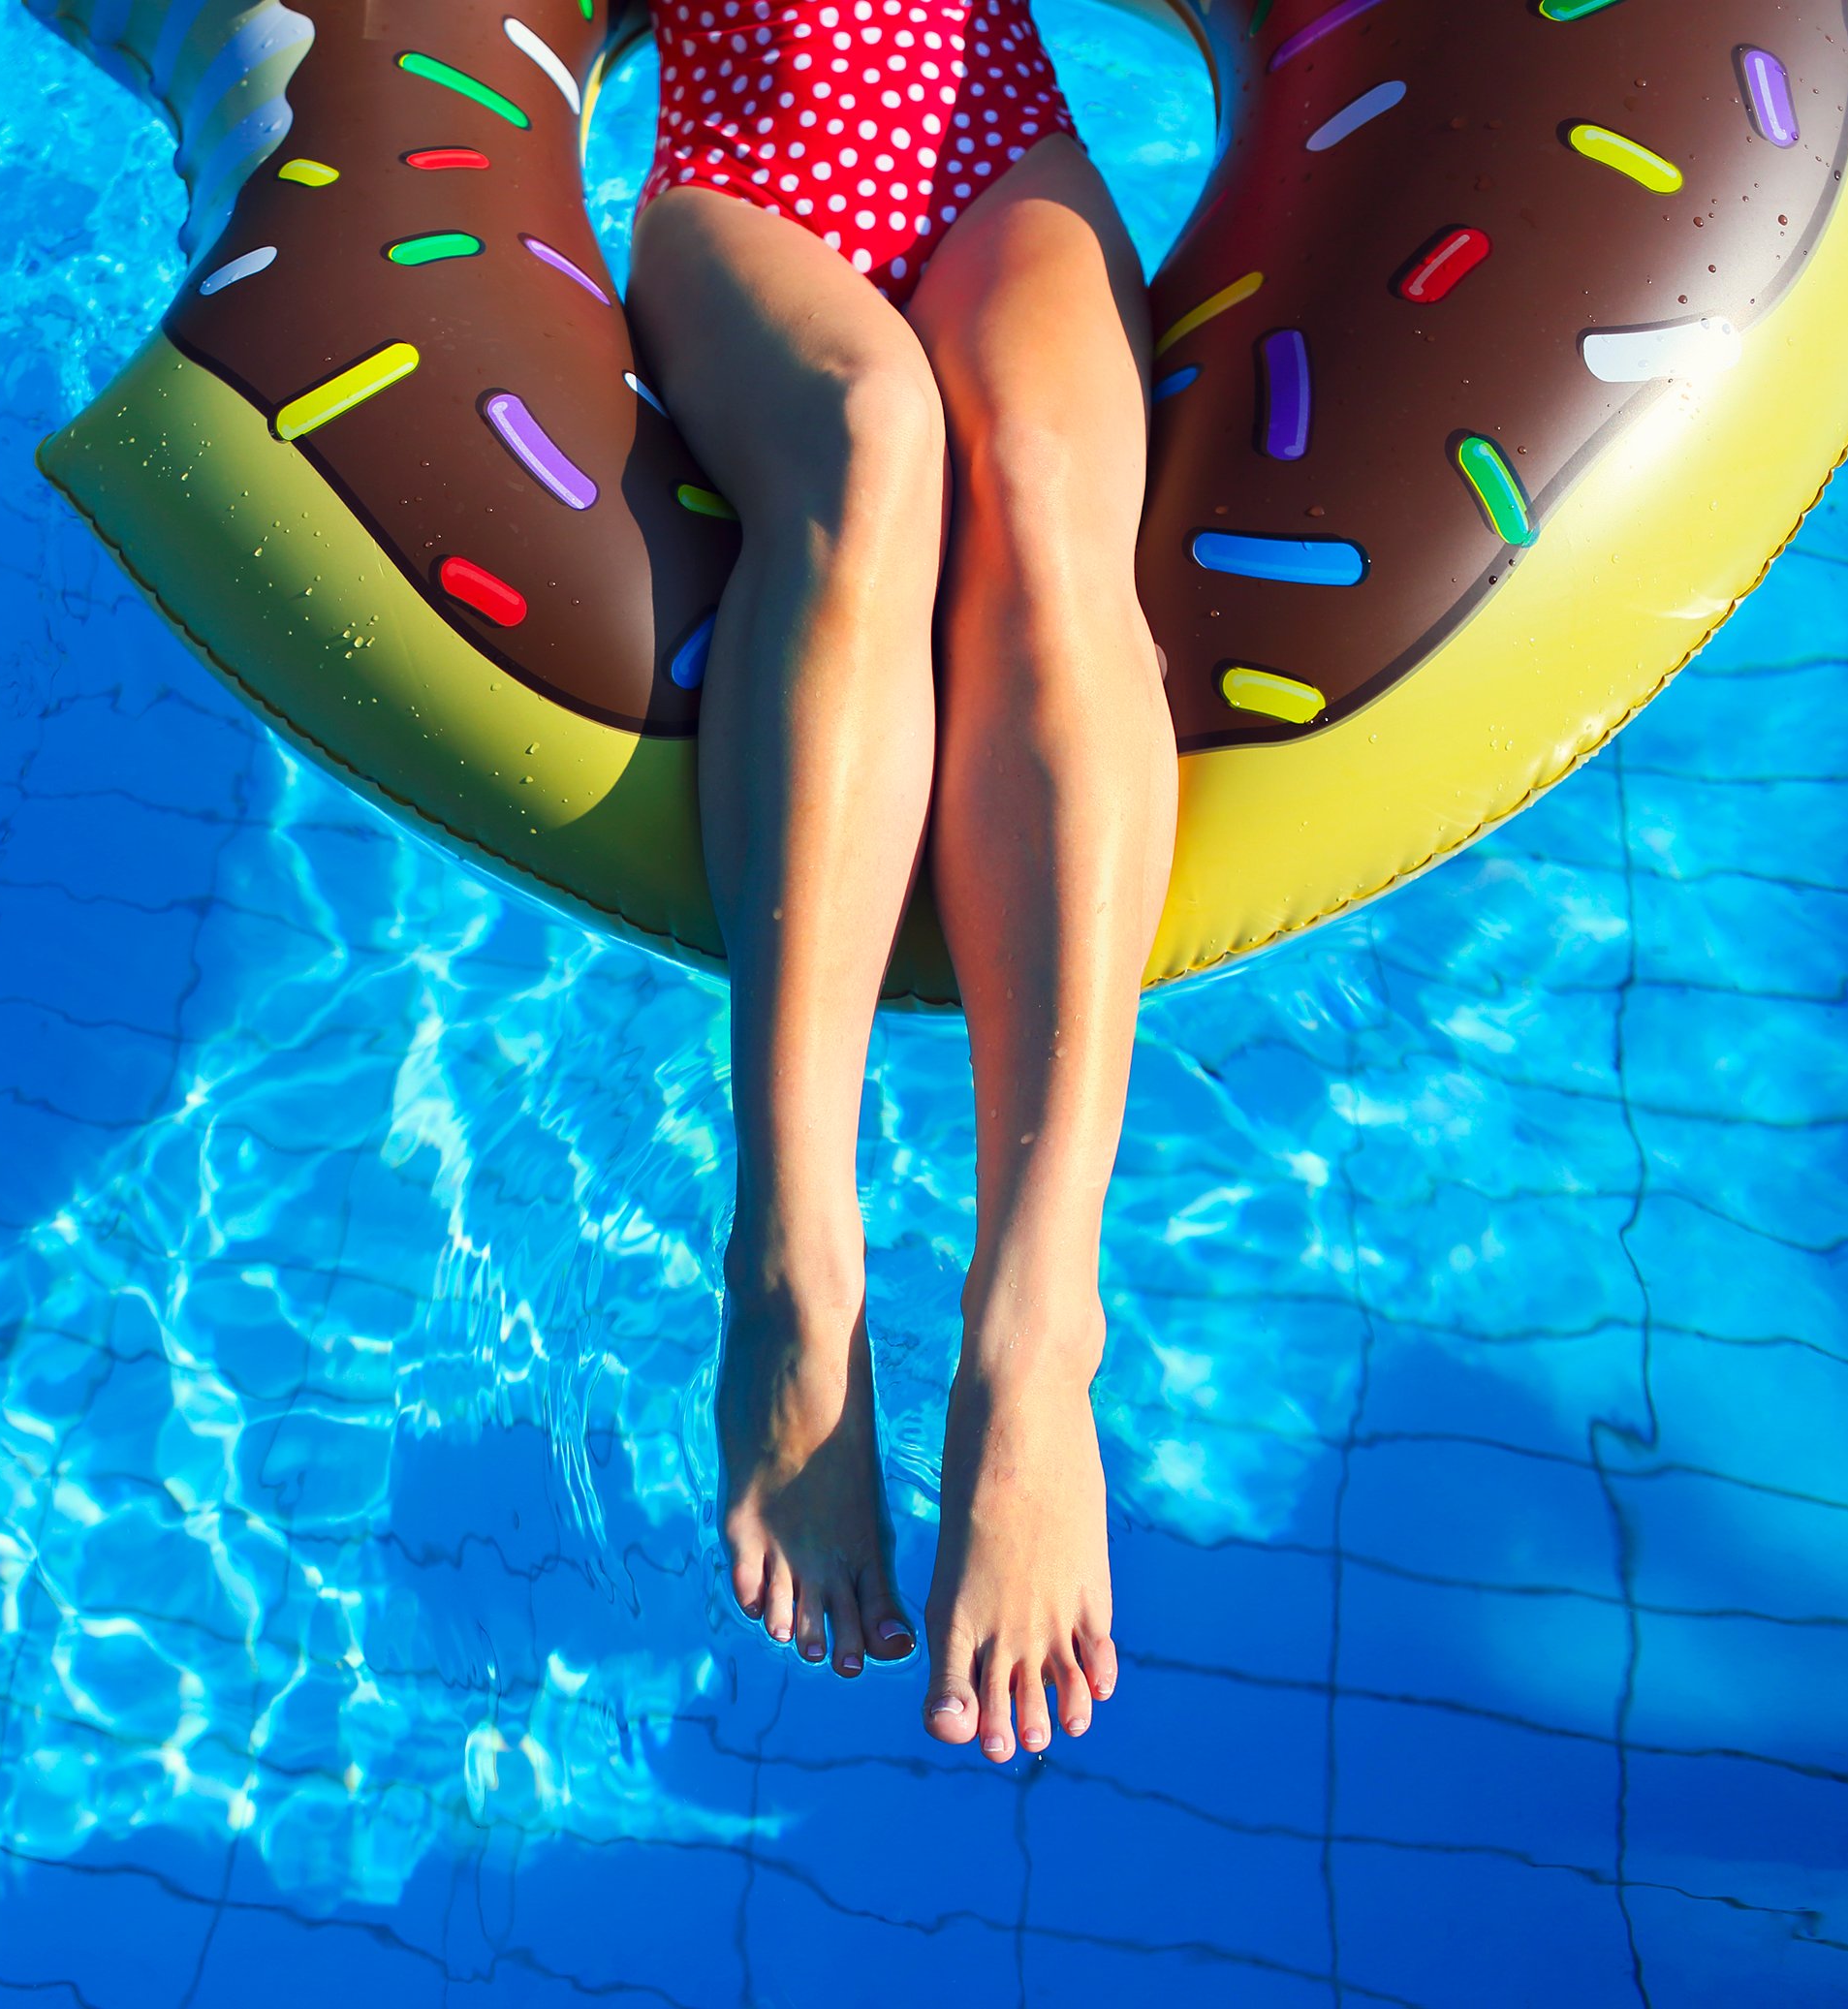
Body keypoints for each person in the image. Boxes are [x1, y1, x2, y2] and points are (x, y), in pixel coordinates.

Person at [625, 0, 1175, 1763]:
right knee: (869, 438)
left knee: (1041, 481)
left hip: (990, 141)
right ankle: (794, 1260)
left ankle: (1038, 1320)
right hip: (742, 180)